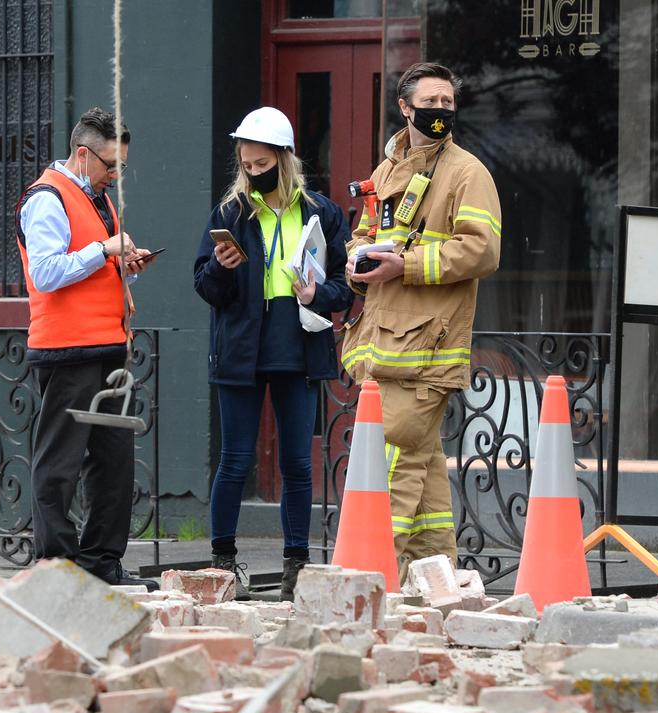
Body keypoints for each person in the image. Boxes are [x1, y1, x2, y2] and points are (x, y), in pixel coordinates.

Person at [343, 63, 502, 579]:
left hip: (426, 358)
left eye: (447, 102)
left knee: (390, 472)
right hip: (383, 349)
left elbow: (483, 251)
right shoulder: (387, 172)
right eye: (429, 102)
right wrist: (356, 264)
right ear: (405, 108)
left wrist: (405, 265)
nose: (441, 111)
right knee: (425, 477)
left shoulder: (467, 173)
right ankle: (436, 585)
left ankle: (368, 580)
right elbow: (364, 235)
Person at [194, 107, 354, 600]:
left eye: (261, 165)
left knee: (296, 464)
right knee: (235, 461)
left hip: (298, 345)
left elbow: (347, 285)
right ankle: (223, 564)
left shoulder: (321, 213)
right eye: (246, 164)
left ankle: (295, 568)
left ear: (284, 161)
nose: (253, 173)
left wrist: (318, 296)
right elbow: (203, 286)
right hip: (240, 348)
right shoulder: (229, 214)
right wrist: (221, 269)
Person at [16, 107, 159, 590]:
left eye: (120, 165)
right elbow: (47, 272)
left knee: (113, 462)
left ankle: (102, 562)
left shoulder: (96, 198)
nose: (116, 175)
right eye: (110, 165)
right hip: (66, 348)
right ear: (82, 154)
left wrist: (125, 264)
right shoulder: (46, 198)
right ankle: (56, 567)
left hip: (108, 346)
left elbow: (89, 266)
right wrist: (104, 251)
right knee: (59, 462)